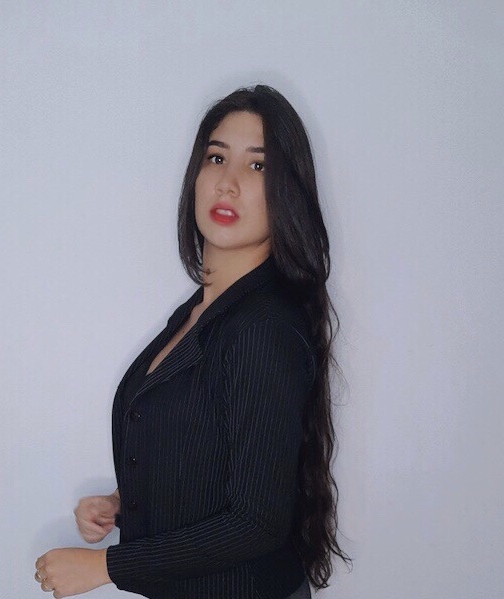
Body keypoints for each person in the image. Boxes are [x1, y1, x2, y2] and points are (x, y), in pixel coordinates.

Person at [34, 84, 352, 599]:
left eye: (257, 166)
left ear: (286, 192)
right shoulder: (200, 313)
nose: (228, 183)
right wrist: (123, 503)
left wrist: (106, 566)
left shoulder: (261, 327)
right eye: (217, 158)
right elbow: (208, 449)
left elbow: (256, 522)